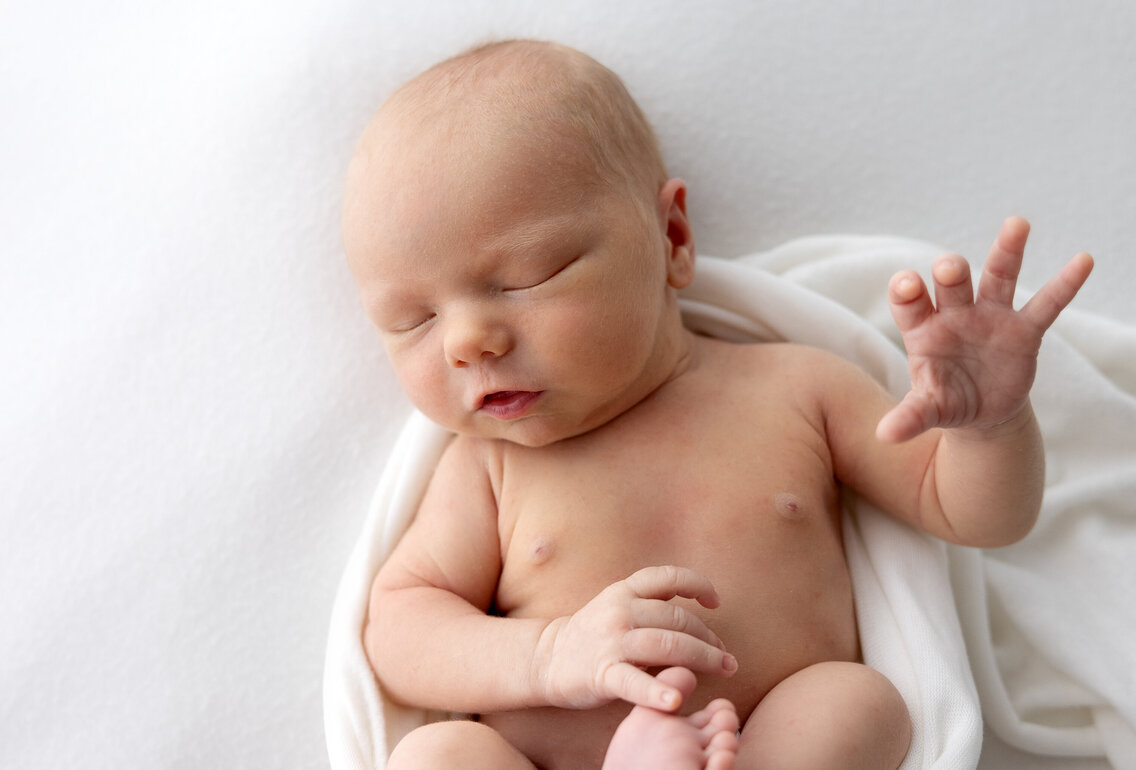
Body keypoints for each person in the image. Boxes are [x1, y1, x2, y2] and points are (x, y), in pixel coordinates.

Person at [342, 39, 1094, 770]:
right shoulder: (491, 468)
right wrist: (548, 655)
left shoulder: (796, 388)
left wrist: (990, 425)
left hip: (760, 744)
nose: (467, 342)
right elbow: (401, 628)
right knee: (437, 754)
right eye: (413, 321)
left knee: (859, 704)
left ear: (671, 237)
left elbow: (971, 513)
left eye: (528, 276)